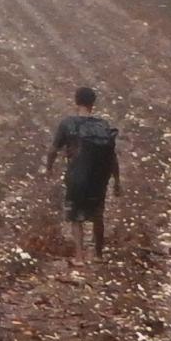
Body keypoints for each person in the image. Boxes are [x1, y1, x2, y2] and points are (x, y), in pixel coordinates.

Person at [47, 86, 120, 255]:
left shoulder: (68, 123)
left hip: (77, 176)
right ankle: (99, 255)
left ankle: (80, 256)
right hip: (99, 177)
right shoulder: (102, 125)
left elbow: (53, 149)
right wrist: (117, 181)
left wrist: (49, 168)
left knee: (75, 216)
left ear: (76, 101)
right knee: (98, 215)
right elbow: (112, 156)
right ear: (92, 103)